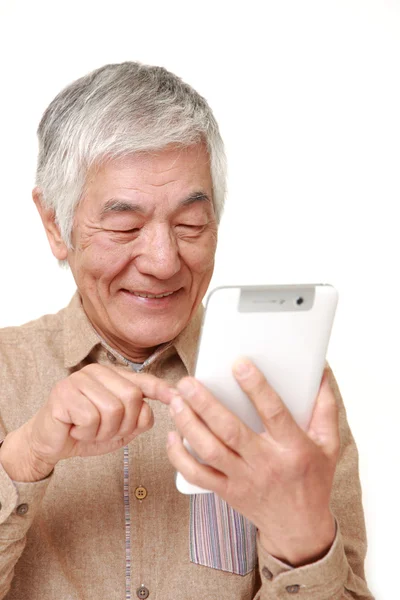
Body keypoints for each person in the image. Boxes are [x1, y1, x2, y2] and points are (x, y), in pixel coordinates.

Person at [0, 62, 374, 600]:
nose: (163, 260)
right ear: (56, 225)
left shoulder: (290, 390)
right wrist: (24, 458)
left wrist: (303, 541)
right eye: (126, 225)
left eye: (190, 225)